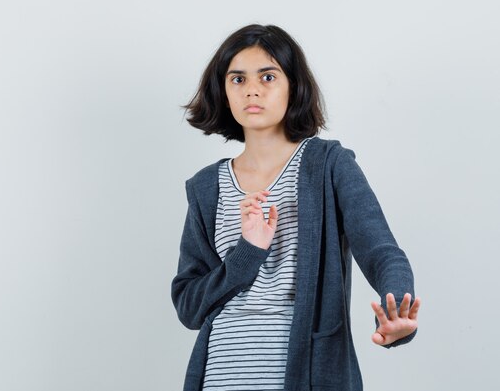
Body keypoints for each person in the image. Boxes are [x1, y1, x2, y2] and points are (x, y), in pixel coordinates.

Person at [170, 24, 421, 391]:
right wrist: (248, 252)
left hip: (309, 376)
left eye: (267, 76)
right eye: (237, 79)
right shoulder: (207, 188)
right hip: (219, 377)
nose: (252, 89)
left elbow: (381, 251)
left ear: (293, 86)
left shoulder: (329, 165)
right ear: (223, 92)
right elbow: (189, 306)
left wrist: (397, 306)